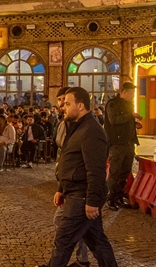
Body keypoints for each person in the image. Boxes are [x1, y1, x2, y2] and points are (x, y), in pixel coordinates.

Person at [40, 87, 117, 267]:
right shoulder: (77, 126)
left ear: (80, 105)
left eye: (67, 103)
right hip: (75, 192)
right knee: (97, 241)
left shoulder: (92, 131)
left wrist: (91, 200)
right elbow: (71, 160)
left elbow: (96, 170)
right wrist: (61, 189)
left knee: (64, 241)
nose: (63, 107)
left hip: (81, 196)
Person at [104, 82, 141, 211]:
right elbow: (113, 120)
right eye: (131, 93)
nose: (133, 96)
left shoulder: (129, 104)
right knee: (115, 172)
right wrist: (130, 116)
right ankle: (110, 198)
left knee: (125, 172)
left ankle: (119, 197)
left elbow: (125, 121)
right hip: (117, 144)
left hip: (129, 143)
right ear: (124, 92)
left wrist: (135, 124)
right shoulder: (113, 103)